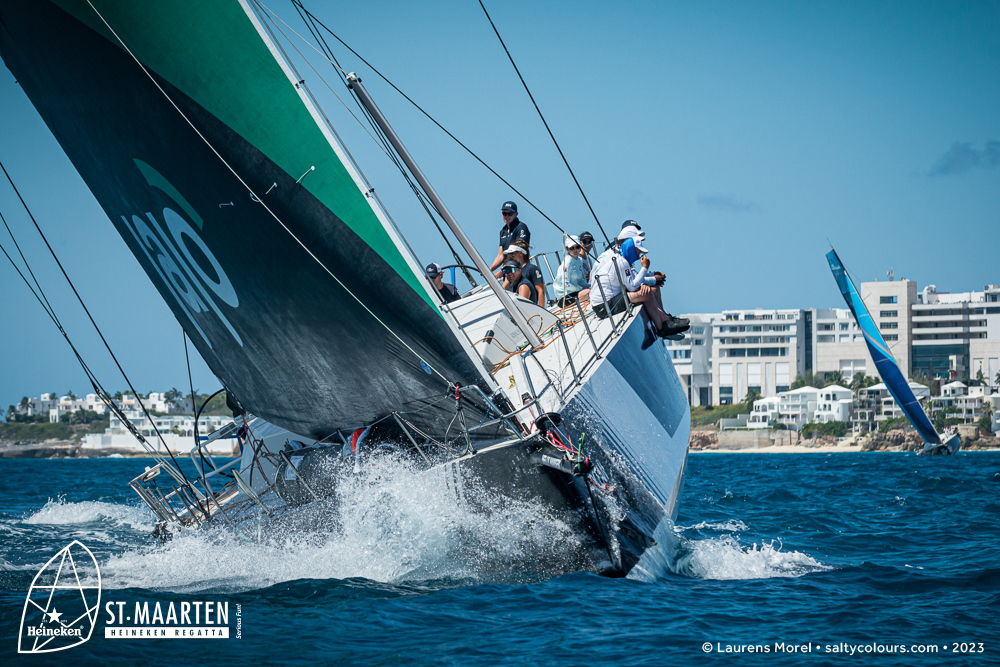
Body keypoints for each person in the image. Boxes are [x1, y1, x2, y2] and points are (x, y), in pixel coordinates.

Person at [489, 201, 530, 275]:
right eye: (504, 214)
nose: (507, 216)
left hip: (519, 271)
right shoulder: (503, 231)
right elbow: (500, 256)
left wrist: (502, 271)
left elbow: (517, 252)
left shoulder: (521, 228)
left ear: (516, 214)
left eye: (510, 214)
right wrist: (489, 270)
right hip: (508, 272)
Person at [502, 242, 546, 308]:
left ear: (520, 253)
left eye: (511, 253)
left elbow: (541, 291)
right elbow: (504, 289)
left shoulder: (532, 269)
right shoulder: (509, 273)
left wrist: (542, 310)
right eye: (508, 254)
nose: (509, 256)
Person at [553, 235, 590, 306]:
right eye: (572, 248)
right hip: (564, 297)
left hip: (575, 292)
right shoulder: (567, 262)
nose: (575, 250)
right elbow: (565, 284)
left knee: (594, 290)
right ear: (567, 249)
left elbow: (580, 281)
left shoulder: (580, 260)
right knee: (591, 292)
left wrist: (590, 285)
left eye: (577, 247)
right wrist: (579, 289)